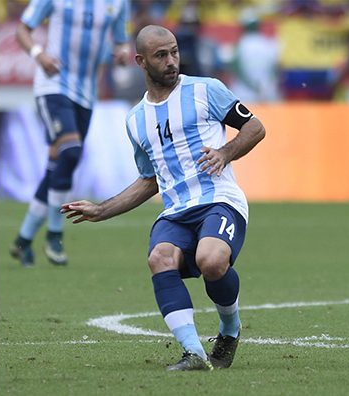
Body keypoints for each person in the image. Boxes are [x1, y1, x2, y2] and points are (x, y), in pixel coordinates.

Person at [61, 25, 266, 371]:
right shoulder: (136, 120)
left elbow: (255, 127)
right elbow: (148, 181)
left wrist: (225, 152)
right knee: (159, 257)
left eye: (174, 52)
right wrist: (101, 209)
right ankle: (194, 353)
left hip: (219, 199)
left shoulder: (206, 90)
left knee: (212, 260)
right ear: (141, 61)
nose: (171, 61)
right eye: (161, 55)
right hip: (175, 211)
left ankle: (229, 329)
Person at [9, 0, 131, 267]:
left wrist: (122, 51)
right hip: (52, 85)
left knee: (58, 166)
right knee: (71, 151)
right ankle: (54, 234)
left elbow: (121, 40)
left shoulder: (118, 3)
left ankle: (23, 241)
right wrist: (39, 54)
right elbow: (22, 30)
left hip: (87, 95)